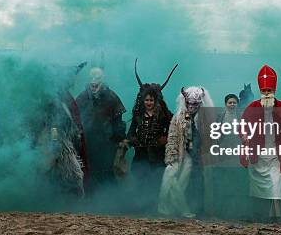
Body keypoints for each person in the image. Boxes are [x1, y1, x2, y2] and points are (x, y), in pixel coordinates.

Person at [240, 65, 281, 223]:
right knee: (256, 187)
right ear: (260, 91)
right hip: (257, 154)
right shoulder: (253, 107)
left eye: (269, 91)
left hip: (276, 155)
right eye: (264, 91)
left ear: (274, 91)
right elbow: (243, 125)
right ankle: (257, 214)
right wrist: (244, 135)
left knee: (276, 185)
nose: (266, 94)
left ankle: (275, 216)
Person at [126, 60, 176, 213]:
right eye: (146, 100)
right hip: (140, 155)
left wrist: (165, 138)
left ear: (156, 100)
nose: (149, 102)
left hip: (157, 155)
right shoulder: (138, 115)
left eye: (151, 100)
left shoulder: (164, 115)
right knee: (139, 180)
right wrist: (133, 140)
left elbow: (173, 128)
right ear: (143, 100)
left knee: (155, 182)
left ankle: (154, 208)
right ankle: (139, 207)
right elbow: (131, 132)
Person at [158, 86, 214, 218]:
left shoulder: (206, 119)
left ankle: (195, 210)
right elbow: (172, 137)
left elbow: (211, 139)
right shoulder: (178, 118)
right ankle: (170, 208)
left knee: (195, 183)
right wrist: (172, 156)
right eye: (189, 103)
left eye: (195, 104)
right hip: (183, 155)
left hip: (199, 157)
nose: (191, 106)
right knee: (171, 177)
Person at [75, 67, 126, 192]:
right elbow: (75, 121)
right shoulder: (82, 98)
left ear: (103, 80)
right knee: (89, 173)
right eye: (91, 78)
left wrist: (118, 139)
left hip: (106, 145)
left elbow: (118, 122)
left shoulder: (112, 97)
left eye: (97, 78)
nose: (94, 81)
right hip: (87, 145)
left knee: (107, 174)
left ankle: (108, 203)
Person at [208, 94, 250, 219]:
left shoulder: (242, 116)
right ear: (225, 104)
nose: (232, 104)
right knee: (221, 184)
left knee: (238, 183)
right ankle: (220, 212)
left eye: (234, 102)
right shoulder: (219, 117)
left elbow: (247, 132)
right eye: (230, 102)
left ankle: (239, 213)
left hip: (237, 154)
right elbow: (214, 134)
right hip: (223, 153)